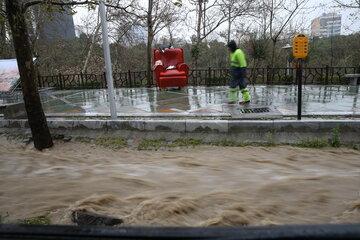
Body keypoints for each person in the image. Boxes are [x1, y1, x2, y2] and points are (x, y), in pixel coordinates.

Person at [226, 40, 251, 104]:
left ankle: (232, 100)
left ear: (232, 47)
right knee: (242, 86)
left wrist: (243, 73)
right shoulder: (233, 53)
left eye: (229, 47)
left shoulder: (238, 52)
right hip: (235, 72)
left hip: (239, 72)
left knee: (233, 86)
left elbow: (243, 64)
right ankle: (247, 99)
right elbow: (234, 63)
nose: (228, 49)